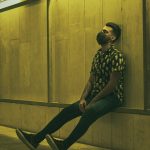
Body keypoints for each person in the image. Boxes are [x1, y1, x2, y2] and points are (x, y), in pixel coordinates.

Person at [16, 22, 126, 150]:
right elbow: (91, 81)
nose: (101, 33)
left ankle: (64, 145)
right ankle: (35, 140)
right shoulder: (97, 55)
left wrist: (93, 101)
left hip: (112, 97)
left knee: (90, 111)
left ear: (113, 38)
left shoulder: (117, 56)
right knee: (67, 111)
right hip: (95, 96)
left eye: (106, 32)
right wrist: (83, 99)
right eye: (102, 30)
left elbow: (112, 85)